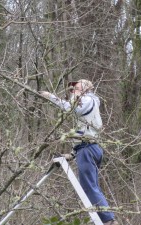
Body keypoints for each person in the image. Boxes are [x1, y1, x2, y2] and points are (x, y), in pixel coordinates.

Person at [39, 79, 118, 225]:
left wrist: (51, 97)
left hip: (88, 149)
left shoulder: (88, 100)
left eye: (76, 87)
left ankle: (108, 221)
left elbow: (71, 108)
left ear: (86, 89)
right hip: (88, 148)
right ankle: (108, 219)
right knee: (92, 186)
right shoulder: (86, 104)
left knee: (88, 187)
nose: (73, 89)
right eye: (72, 88)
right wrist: (72, 154)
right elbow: (84, 131)